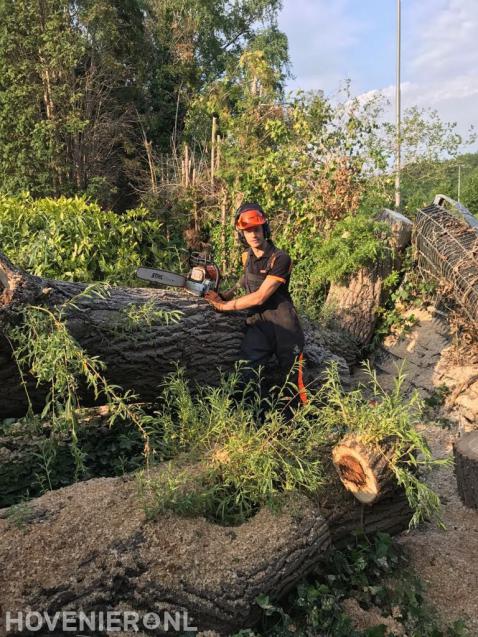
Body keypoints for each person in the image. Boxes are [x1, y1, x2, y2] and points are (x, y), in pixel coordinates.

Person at [204, 202, 307, 407]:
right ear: (242, 233)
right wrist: (224, 295)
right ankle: (251, 418)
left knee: (295, 383)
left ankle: (310, 423)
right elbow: (244, 281)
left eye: (256, 229)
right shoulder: (247, 256)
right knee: (245, 374)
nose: (253, 235)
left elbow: (260, 296)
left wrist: (225, 306)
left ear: (264, 229)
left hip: (285, 326)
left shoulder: (280, 258)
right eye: (248, 231)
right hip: (258, 324)